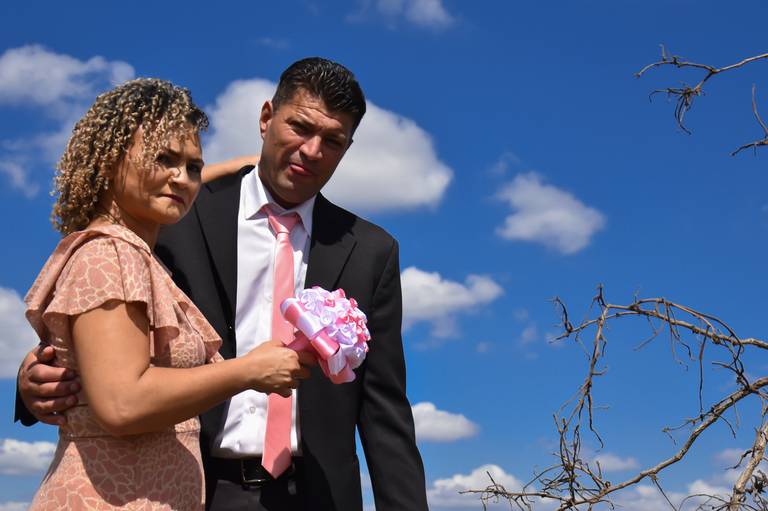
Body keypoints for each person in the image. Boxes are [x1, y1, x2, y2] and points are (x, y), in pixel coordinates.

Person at [18, 58, 429, 511]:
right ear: (266, 118)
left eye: (332, 141)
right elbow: (96, 302)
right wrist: (32, 377)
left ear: (347, 148)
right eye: (299, 127)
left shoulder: (371, 251)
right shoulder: (173, 215)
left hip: (319, 496)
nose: (312, 150)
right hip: (197, 490)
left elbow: (384, 408)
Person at [20, 78, 311, 510]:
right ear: (109, 160)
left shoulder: (137, 255)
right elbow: (122, 403)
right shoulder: (111, 253)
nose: (183, 179)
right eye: (164, 158)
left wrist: (248, 166)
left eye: (194, 167)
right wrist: (248, 371)